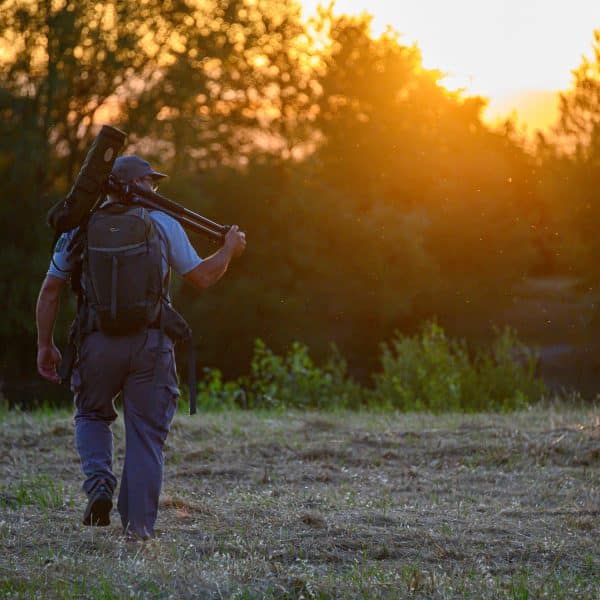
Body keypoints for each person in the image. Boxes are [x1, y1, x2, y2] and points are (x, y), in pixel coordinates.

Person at [35, 155, 246, 540]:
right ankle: (138, 531)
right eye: (151, 183)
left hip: (96, 344)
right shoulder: (164, 223)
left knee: (92, 414)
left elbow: (50, 290)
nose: (155, 190)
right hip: (151, 344)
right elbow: (202, 276)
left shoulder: (79, 226)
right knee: (146, 435)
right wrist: (229, 249)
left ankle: (99, 481)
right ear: (139, 185)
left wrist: (45, 345)